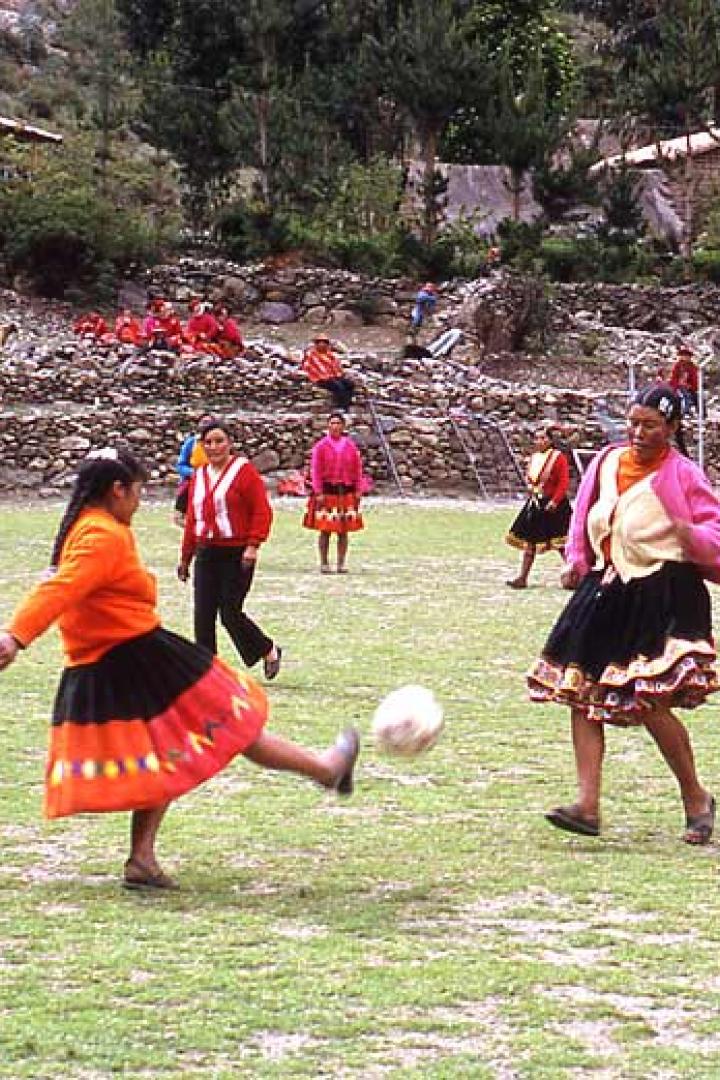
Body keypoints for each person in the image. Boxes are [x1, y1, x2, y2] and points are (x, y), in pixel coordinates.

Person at [0, 448, 359, 889]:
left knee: (183, 743)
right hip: (136, 659)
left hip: (124, 656)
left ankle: (143, 858)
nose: (138, 501)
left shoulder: (88, 526)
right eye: (137, 491)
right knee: (231, 720)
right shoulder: (101, 536)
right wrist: (15, 636)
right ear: (117, 490)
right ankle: (326, 770)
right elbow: (59, 590)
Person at [528, 385, 719, 844]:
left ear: (672, 428)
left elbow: (714, 531)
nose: (637, 431)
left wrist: (688, 532)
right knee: (580, 692)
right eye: (633, 422)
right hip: (607, 587)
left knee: (649, 700)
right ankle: (587, 805)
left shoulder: (684, 476)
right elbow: (584, 517)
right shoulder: (608, 461)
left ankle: (695, 797)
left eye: (650, 424)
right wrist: (577, 559)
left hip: (663, 592)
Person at [178, 418, 282, 680]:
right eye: (208, 442)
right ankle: (207, 671)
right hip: (207, 551)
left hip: (237, 553)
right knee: (203, 615)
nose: (214, 447)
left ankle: (267, 649)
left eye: (219, 441)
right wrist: (185, 558)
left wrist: (253, 545)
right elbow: (193, 518)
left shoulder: (243, 471)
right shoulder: (198, 476)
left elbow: (261, 510)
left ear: (230, 443)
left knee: (230, 612)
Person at [506, 428, 571, 589]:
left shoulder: (558, 458)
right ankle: (522, 577)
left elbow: (563, 482)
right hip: (536, 504)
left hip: (554, 506)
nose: (539, 441)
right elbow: (531, 478)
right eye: (537, 438)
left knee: (561, 544)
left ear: (550, 440)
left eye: (543, 438)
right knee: (530, 543)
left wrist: (555, 501)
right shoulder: (535, 458)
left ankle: (575, 575)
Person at [303, 412, 365, 574]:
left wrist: (359, 489)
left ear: (343, 426)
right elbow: (315, 470)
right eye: (332, 423)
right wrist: (318, 491)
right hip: (327, 492)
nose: (335, 426)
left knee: (343, 530)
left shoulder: (350, 446)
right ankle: (324, 562)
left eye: (338, 423)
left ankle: (341, 563)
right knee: (326, 528)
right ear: (328, 426)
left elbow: (357, 469)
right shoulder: (321, 446)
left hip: (345, 492)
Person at [173, 413, 213, 526]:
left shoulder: (217, 444)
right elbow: (180, 465)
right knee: (180, 518)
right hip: (191, 482)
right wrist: (194, 473)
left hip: (211, 482)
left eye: (209, 423)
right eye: (203, 422)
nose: (206, 425)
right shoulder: (191, 443)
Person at [301, 334, 355, 410]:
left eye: (324, 342)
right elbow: (309, 367)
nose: (322, 344)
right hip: (320, 379)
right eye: (319, 342)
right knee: (339, 387)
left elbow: (337, 367)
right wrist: (324, 377)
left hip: (333, 377)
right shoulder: (311, 355)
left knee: (350, 384)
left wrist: (340, 375)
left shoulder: (330, 355)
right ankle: (342, 406)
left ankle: (348, 403)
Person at [668, 343, 699, 416]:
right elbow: (673, 378)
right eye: (683, 355)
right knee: (685, 397)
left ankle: (701, 414)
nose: (685, 357)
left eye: (687, 355)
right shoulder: (677, 366)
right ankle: (685, 412)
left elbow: (694, 379)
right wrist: (675, 387)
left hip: (689, 387)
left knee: (699, 398)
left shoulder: (692, 367)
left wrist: (692, 387)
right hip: (678, 387)